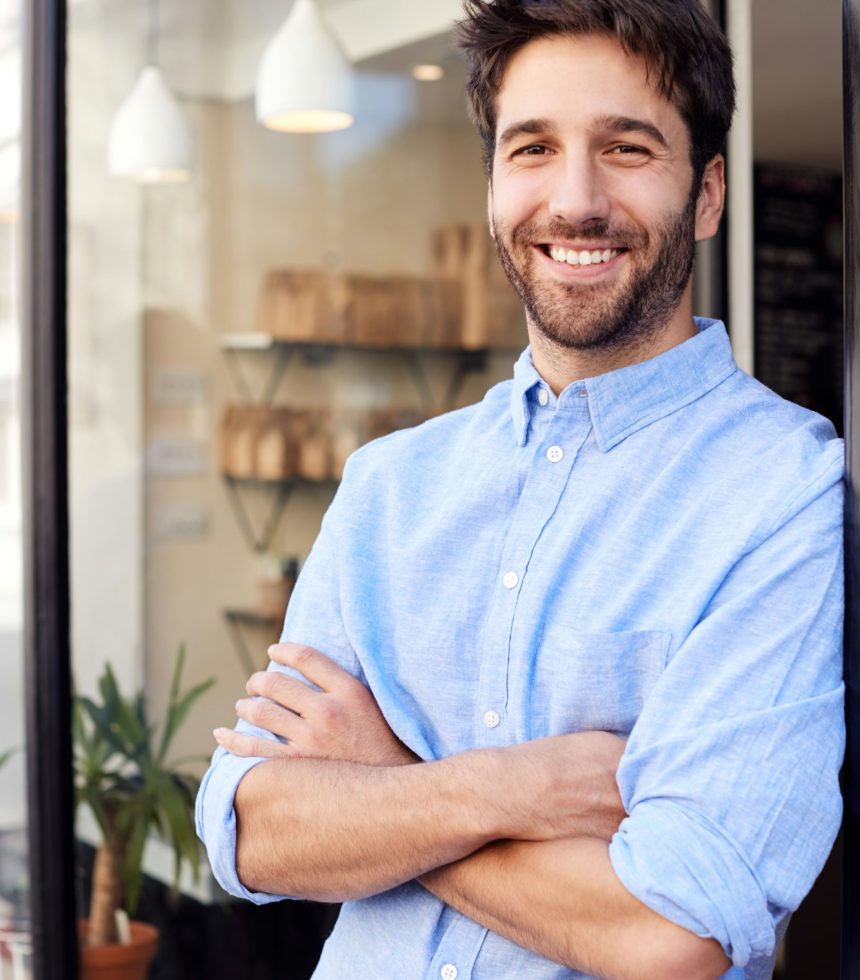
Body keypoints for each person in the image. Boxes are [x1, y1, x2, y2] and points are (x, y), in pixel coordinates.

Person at [196, 1, 845, 977]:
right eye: (532, 147)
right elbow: (250, 829)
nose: (574, 199)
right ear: (494, 184)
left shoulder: (784, 491)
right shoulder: (389, 485)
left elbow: (670, 933)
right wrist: (502, 790)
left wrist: (384, 781)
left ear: (706, 194)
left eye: (625, 148)